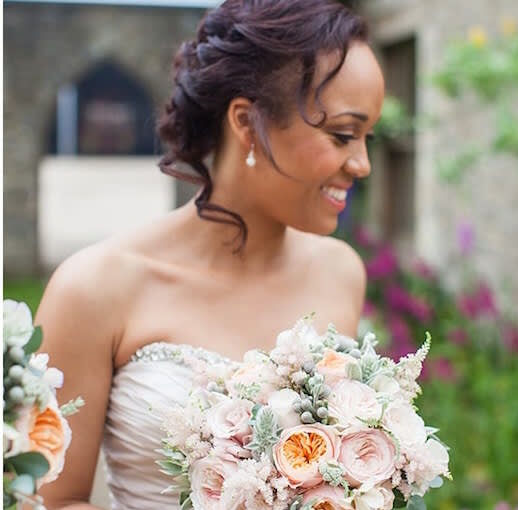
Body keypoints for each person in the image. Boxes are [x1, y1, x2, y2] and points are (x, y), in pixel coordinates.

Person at [35, 0, 384, 508]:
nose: (363, 164)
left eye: (368, 137)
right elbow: (48, 500)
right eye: (343, 135)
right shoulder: (93, 288)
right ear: (246, 121)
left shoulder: (340, 272)